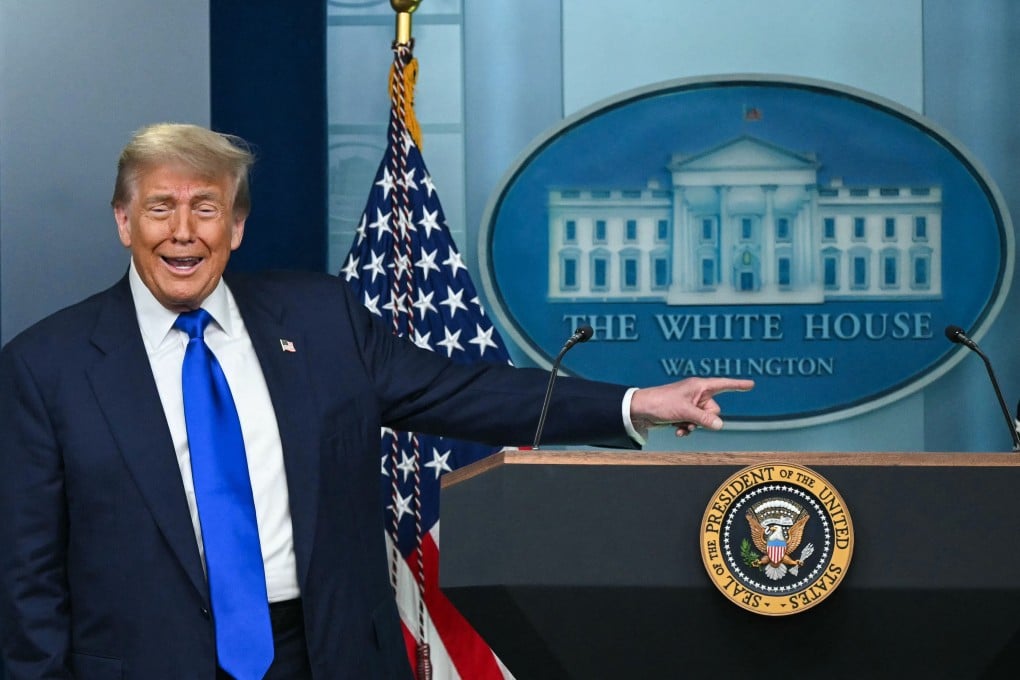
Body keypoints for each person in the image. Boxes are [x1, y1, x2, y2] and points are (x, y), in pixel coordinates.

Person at [0, 123, 753, 679]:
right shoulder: (47, 366)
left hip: (322, 652)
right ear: (123, 221)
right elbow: (28, 576)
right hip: (143, 664)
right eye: (160, 208)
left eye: (206, 208)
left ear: (236, 226)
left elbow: (465, 391)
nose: (183, 232)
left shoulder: (322, 321)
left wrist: (635, 403)